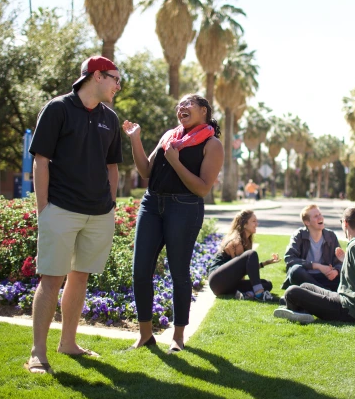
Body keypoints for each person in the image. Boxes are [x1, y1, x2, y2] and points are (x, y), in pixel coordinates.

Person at [25, 56, 123, 374]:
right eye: (114, 79)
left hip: (98, 212)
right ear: (96, 76)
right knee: (51, 279)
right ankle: (38, 353)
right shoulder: (58, 108)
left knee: (79, 277)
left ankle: (68, 342)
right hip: (61, 209)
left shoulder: (111, 117)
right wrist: (43, 209)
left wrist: (111, 202)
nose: (118, 85)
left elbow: (112, 166)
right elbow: (41, 159)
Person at [123, 94, 224, 353]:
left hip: (185, 207)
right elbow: (146, 171)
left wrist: (176, 163)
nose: (182, 108)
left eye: (188, 104)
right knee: (140, 270)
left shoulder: (212, 145)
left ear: (204, 111)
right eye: (179, 105)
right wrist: (135, 138)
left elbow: (202, 188)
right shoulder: (170, 137)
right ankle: (145, 335)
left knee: (179, 271)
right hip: (151, 205)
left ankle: (178, 337)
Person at [274, 207, 355, 334]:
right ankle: (299, 308)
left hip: (351, 310)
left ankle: (296, 308)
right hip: (346, 300)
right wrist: (345, 259)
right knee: (306, 286)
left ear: (345, 223)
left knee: (291, 292)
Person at [208, 210, 279, 300]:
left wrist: (266, 263)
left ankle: (248, 294)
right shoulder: (237, 242)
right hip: (217, 280)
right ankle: (259, 294)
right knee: (251, 254)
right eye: (253, 221)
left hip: (227, 284)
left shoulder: (246, 241)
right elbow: (240, 273)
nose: (256, 224)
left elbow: (246, 269)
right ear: (244, 224)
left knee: (267, 284)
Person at [282, 204, 342, 292]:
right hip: (306, 277)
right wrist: (317, 266)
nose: (320, 217)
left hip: (325, 278)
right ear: (307, 222)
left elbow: (339, 262)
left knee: (347, 277)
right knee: (295, 271)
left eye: (320, 214)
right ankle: (326, 292)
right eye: (315, 216)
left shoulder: (331, 236)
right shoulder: (299, 235)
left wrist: (336, 271)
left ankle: (319, 292)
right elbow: (289, 259)